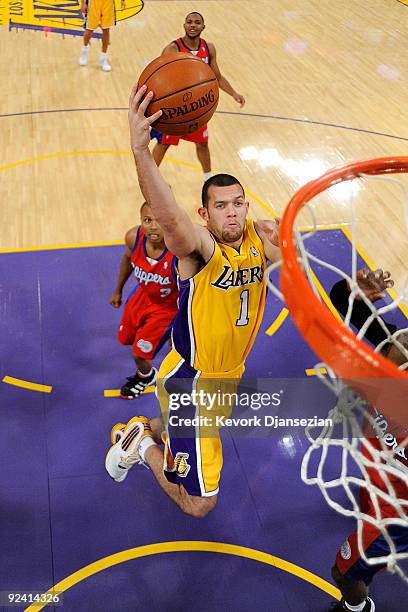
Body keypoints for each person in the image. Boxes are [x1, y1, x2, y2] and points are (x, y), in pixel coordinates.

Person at [105, 83, 280, 518]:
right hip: (194, 383)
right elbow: (168, 216)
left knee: (181, 427)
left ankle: (146, 430)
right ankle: (143, 446)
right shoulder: (198, 248)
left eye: (239, 203)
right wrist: (141, 151)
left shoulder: (259, 239)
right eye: (222, 206)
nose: (234, 212)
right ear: (205, 214)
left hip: (226, 374)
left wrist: (293, 241)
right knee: (200, 504)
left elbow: (299, 265)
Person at [329, 268, 408, 612]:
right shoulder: (396, 348)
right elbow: (341, 301)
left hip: (396, 512)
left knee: (343, 572)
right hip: (379, 477)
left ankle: (355, 609)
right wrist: (353, 289)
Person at [150, 11, 246, 181]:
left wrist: (233, 93)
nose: (192, 25)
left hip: (196, 107)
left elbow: (216, 77)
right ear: (184, 25)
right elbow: (159, 79)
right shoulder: (172, 49)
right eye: (189, 22)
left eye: (196, 22)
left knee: (202, 143)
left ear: (203, 26)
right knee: (163, 144)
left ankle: (208, 178)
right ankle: (148, 177)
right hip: (176, 108)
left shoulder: (209, 48)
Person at [109, 201, 178, 399]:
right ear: (141, 221)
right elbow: (127, 260)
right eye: (148, 220)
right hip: (142, 297)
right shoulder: (134, 237)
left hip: (167, 309)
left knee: (139, 354)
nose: (154, 226)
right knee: (126, 339)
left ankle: (146, 377)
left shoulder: (179, 251)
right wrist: (118, 290)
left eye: (160, 221)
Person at [79, 0, 125, 72]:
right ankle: (85, 49)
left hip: (108, 3)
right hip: (93, 3)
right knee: (89, 30)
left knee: (106, 30)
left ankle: (103, 59)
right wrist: (83, 3)